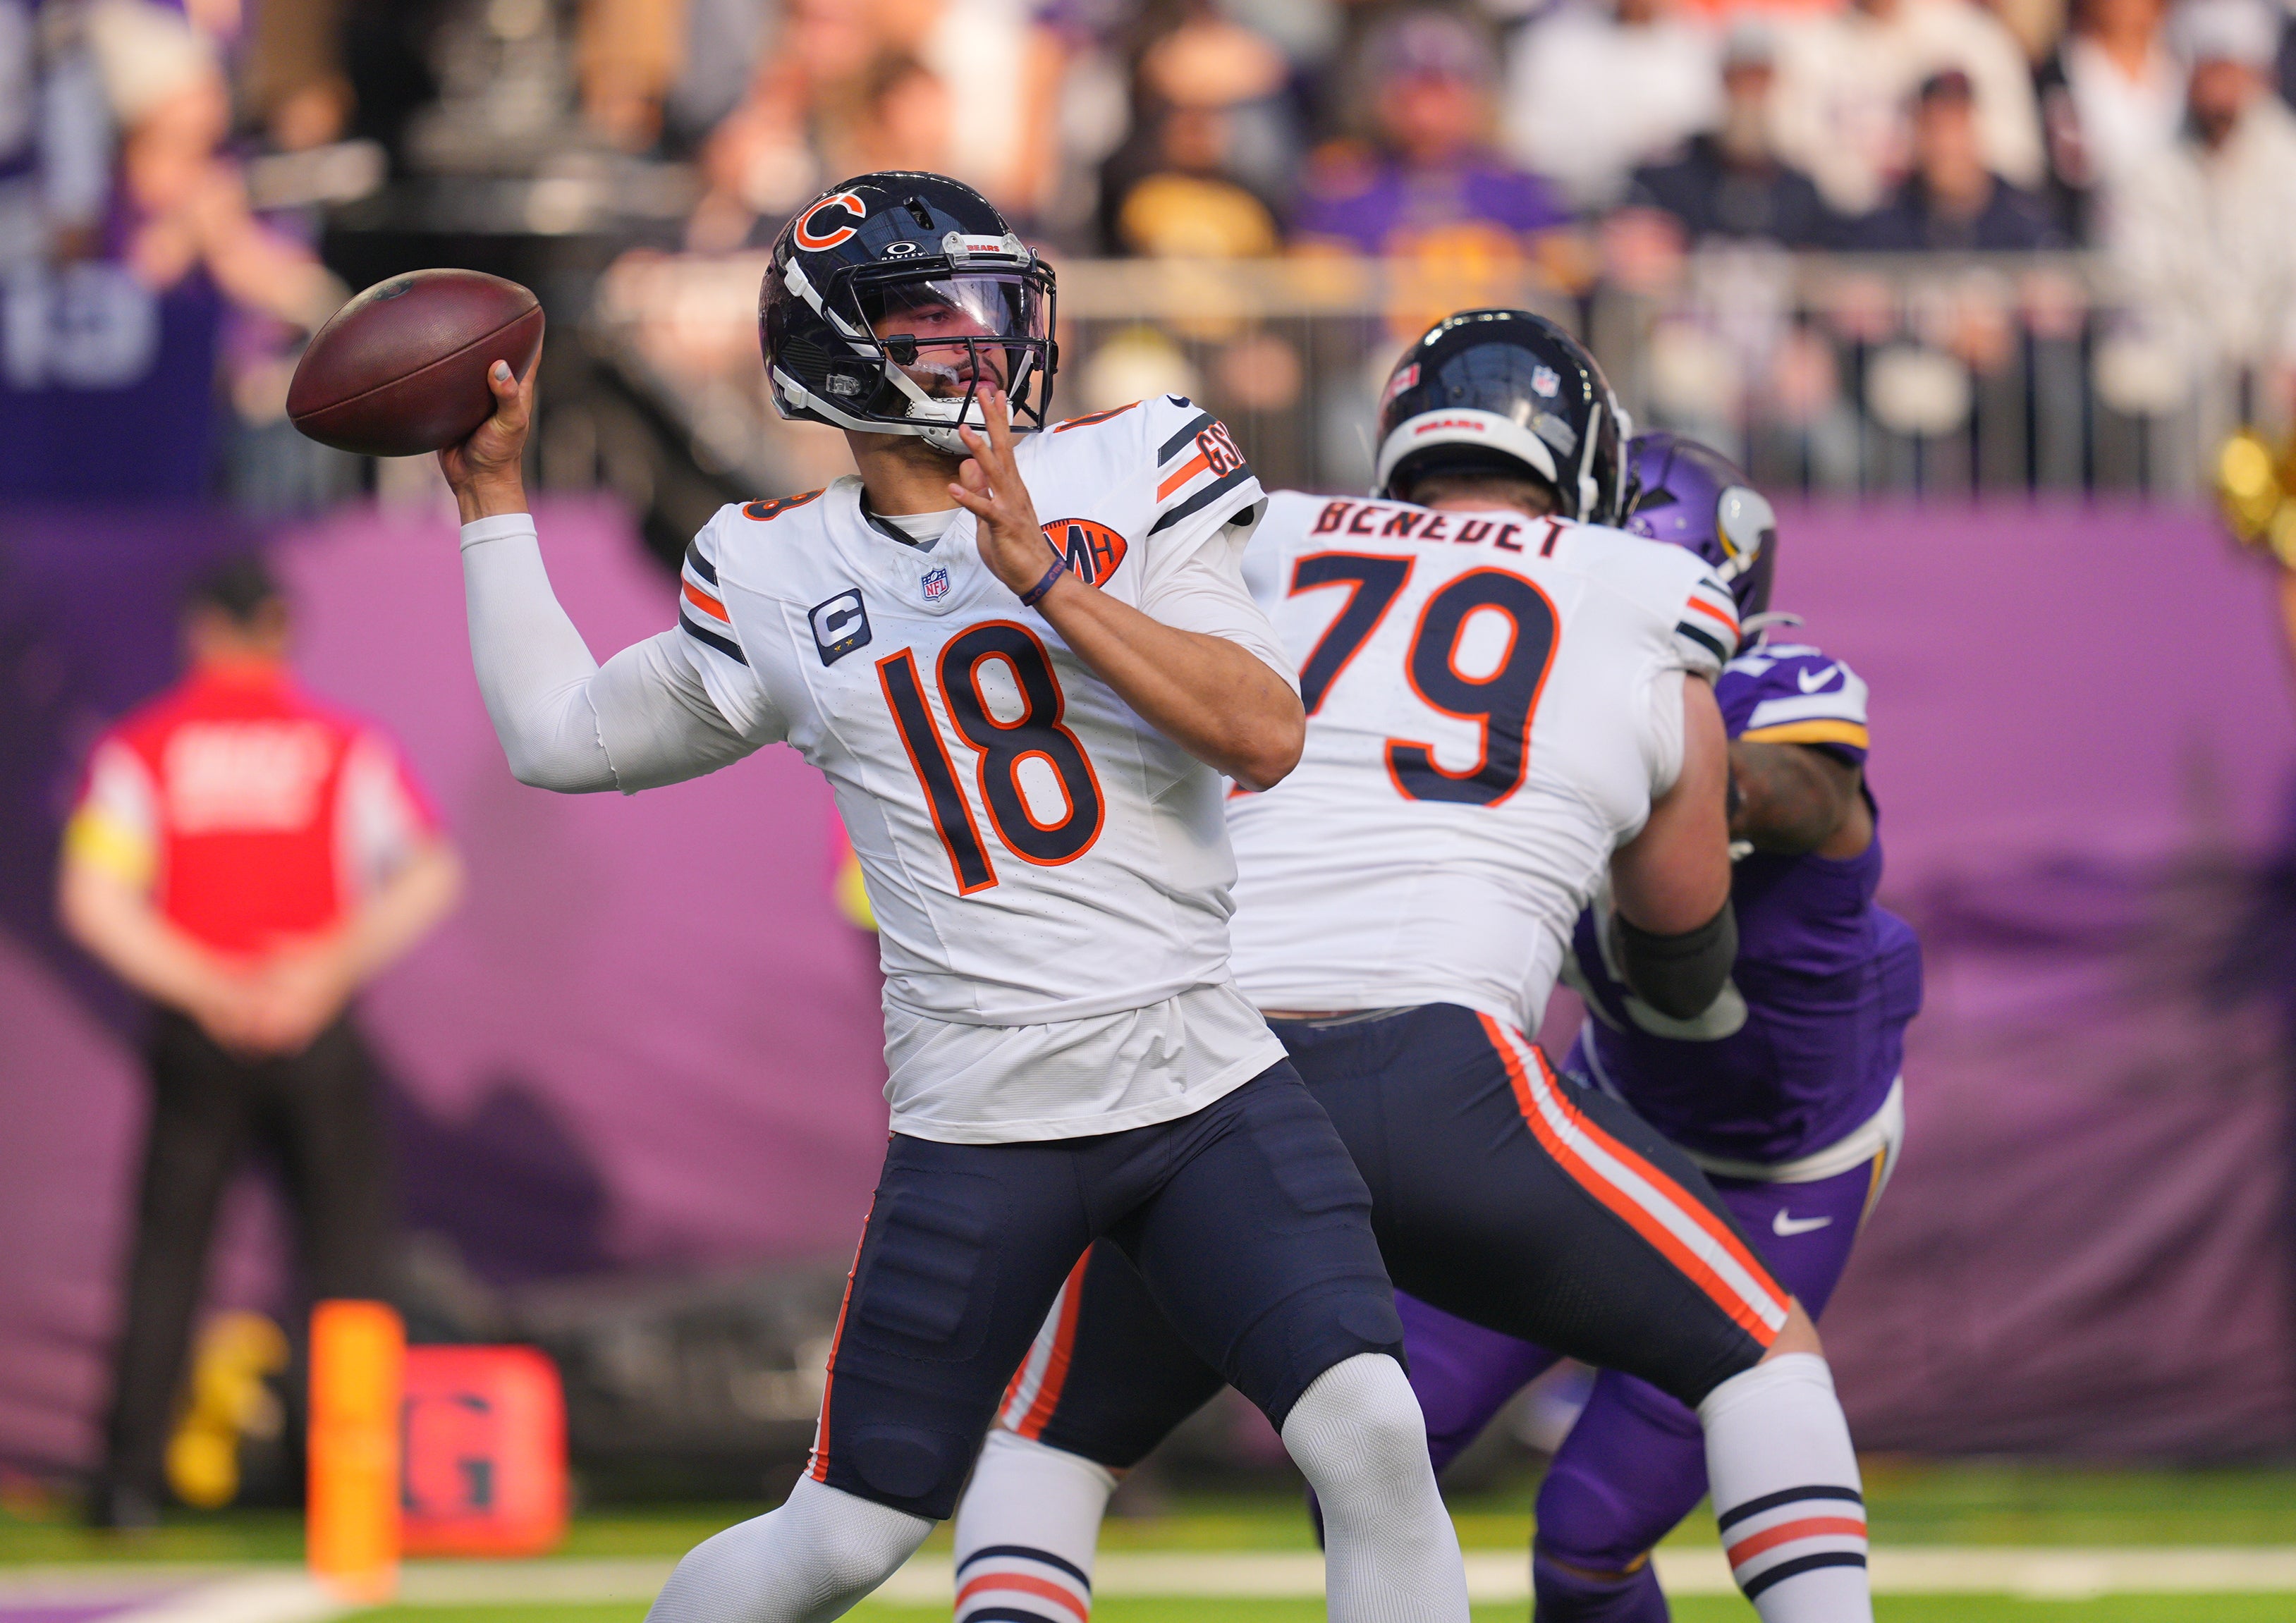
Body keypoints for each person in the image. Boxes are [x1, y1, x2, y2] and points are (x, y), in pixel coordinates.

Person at [441, 171, 1473, 1623]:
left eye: (994, 307)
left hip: (1202, 1084)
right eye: (933, 317)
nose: (982, 344)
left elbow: (1261, 729)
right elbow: (559, 739)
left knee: (1370, 1434)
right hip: (982, 1124)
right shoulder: (775, 568)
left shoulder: (1136, 464)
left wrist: (1044, 579)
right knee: (845, 1534)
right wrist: (492, 500)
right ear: (836, 354)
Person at [951, 312, 1876, 1623]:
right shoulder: (1642, 591)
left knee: (1044, 1443)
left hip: (1199, 1078)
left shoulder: (1260, 537)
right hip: (1442, 1070)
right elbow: (1677, 953)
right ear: (1585, 461)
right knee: (1762, 1355)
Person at [1391, 431, 1924, 1623]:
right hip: (1610, 1121)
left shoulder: (1768, 686)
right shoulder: (1505, 695)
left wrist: (1650, 759)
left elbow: (1808, 790)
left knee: (1585, 1540)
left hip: (1778, 1163)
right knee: (1377, 1431)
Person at [59, 554, 463, 1529]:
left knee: (169, 1256)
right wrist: (318, 971)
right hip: (313, 1024)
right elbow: (428, 872)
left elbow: (92, 899)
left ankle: (127, 1485)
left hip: (201, 1028)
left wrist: (210, 985)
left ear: (201, 630)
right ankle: (356, 1488)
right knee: (349, 1259)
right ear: (280, 626)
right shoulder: (339, 744)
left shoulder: (144, 749)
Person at [2112, 0, 2296, 397]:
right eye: (2211, 71)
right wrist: (2214, 358)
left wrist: (2282, 353)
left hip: (2277, 384)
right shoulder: (2153, 166)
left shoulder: (2288, 158)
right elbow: (2144, 279)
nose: (2221, 90)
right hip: (2188, 383)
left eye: (2231, 71)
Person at [1292, 9, 1571, 264]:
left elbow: (1567, 268)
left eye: (1442, 94)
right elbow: (1312, 275)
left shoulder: (1518, 192)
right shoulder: (1346, 190)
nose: (1427, 113)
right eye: (1412, 95)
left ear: (1477, 97)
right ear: (1379, 99)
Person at [1767, 0, 2044, 217]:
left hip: (1956, 227)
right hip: (1845, 236)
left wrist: (1947, 162)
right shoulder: (1809, 46)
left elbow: (2019, 159)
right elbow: (1792, 157)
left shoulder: (1971, 36)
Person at [1620, 21, 1843, 252]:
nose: (1749, 92)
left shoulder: (1799, 190)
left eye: (1760, 79)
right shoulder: (1673, 178)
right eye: (1740, 78)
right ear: (1722, 81)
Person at [1502, 0, 1723, 212]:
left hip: (1677, 213)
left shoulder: (1695, 43)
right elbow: (1531, 146)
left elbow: (1706, 136)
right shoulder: (1554, 43)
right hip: (1579, 208)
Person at [1851, 69, 2060, 249]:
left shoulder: (2023, 215)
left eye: (1957, 127)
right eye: (1935, 128)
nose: (1947, 145)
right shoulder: (1890, 219)